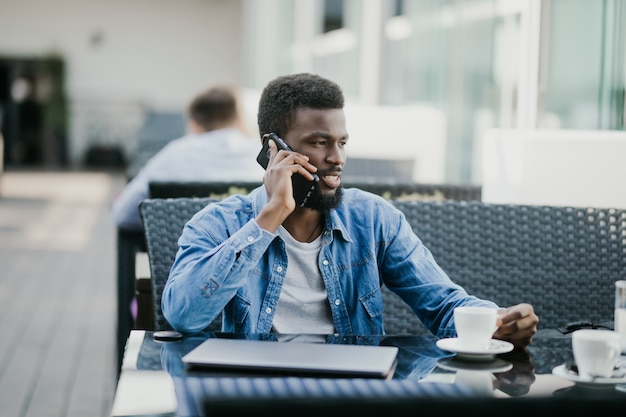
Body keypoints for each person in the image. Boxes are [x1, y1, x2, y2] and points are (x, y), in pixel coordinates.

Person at [162, 73, 538, 347]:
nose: (337, 158)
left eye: (342, 142)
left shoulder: (374, 219)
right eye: (320, 142)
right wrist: (269, 217)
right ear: (273, 150)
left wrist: (495, 320)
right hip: (254, 392)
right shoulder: (218, 224)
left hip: (352, 391)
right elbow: (183, 315)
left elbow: (442, 305)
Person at [112, 85, 264, 230]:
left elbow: (123, 215)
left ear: (195, 124)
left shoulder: (175, 153)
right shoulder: (262, 154)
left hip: (183, 252)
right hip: (256, 249)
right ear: (239, 120)